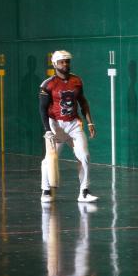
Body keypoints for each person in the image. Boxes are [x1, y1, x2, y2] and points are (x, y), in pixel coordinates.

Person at [39, 50, 98, 203]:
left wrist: (90, 122)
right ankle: (46, 190)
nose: (65, 64)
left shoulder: (77, 81)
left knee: (84, 156)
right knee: (49, 159)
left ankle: (84, 191)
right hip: (55, 126)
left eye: (67, 61)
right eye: (61, 62)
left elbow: (83, 102)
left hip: (74, 125)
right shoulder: (48, 84)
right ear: (55, 64)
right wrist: (47, 130)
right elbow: (42, 109)